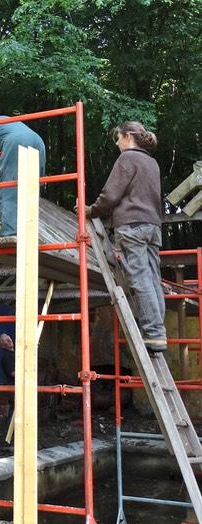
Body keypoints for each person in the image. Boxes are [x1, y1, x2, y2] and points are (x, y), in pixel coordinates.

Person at [83, 120, 166, 353]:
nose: (117, 143)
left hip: (132, 227)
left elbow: (110, 195)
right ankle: (159, 333)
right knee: (152, 279)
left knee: (139, 280)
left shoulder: (127, 159)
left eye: (118, 138)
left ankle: (153, 334)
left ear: (128, 136)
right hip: (152, 226)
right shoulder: (152, 162)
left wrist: (92, 210)